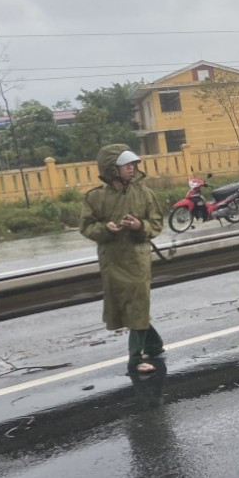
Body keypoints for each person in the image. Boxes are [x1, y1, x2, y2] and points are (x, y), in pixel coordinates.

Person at [80, 146, 165, 374]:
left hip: (137, 260)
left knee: (138, 304)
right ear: (111, 169)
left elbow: (156, 223)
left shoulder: (144, 193)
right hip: (112, 261)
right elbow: (86, 227)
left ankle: (135, 359)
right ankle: (153, 344)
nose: (132, 168)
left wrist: (140, 226)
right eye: (126, 164)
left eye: (133, 164)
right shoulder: (95, 197)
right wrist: (105, 228)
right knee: (127, 307)